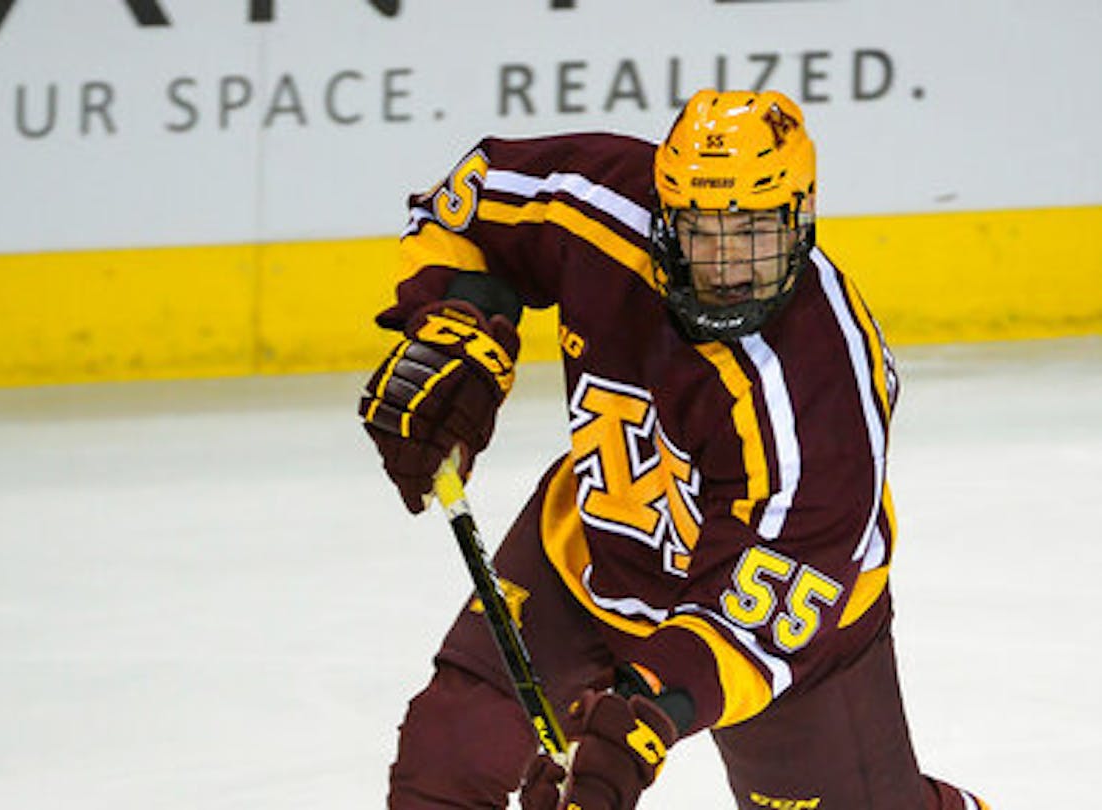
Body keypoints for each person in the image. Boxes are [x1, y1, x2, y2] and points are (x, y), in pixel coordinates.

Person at [359, 88, 988, 810]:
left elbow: (762, 606)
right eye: (701, 231)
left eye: (754, 231)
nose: (727, 266)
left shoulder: (820, 389)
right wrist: (458, 331)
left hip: (785, 632)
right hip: (591, 549)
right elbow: (467, 207)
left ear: (801, 219)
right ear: (663, 214)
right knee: (445, 758)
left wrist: (647, 712)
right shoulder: (597, 204)